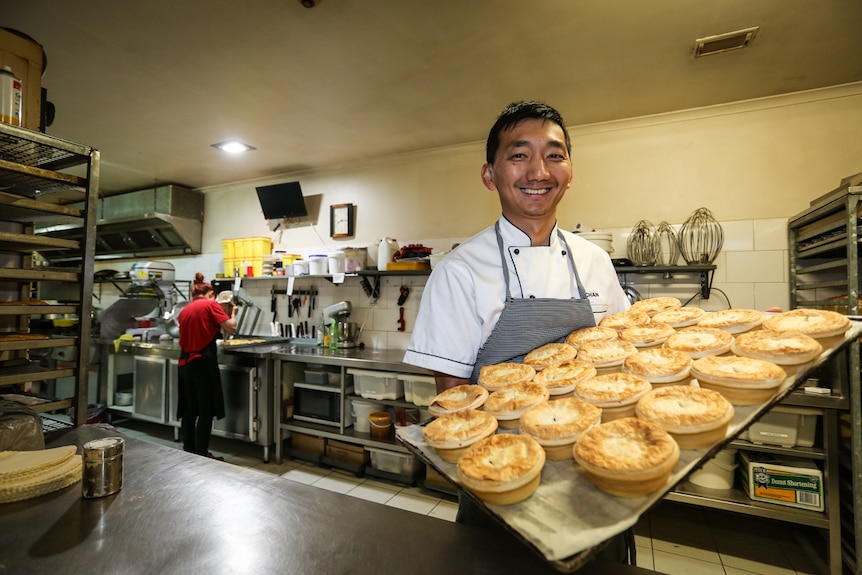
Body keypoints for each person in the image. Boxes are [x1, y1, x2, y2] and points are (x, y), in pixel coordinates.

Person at [402, 101, 633, 563]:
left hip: (598, 469)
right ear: (490, 175)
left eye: (555, 154)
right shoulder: (460, 271)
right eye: (519, 154)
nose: (539, 171)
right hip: (499, 481)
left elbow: (622, 360)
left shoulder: (595, 261)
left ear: (570, 172)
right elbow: (453, 404)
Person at [177, 273, 237, 459]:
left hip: (184, 363)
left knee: (189, 409)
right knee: (206, 410)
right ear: (210, 293)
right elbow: (231, 328)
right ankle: (202, 452)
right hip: (202, 363)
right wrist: (233, 312)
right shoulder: (211, 305)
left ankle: (189, 449)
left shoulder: (184, 310)